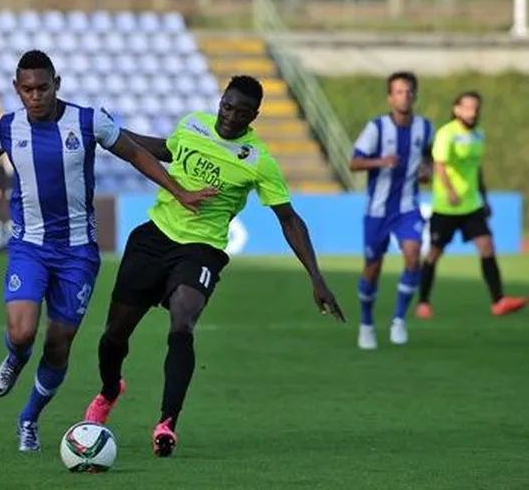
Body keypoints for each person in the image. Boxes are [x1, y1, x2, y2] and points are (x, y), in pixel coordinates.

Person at [0, 50, 214, 452]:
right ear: (16, 89)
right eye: (27, 89)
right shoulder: (8, 127)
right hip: (30, 247)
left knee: (58, 344)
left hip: (78, 254)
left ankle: (29, 418)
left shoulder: (88, 120)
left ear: (56, 83)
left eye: (43, 87)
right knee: (22, 333)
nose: (36, 96)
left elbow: (135, 154)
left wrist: (178, 191)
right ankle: (15, 357)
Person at [81, 75, 345, 457]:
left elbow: (288, 218)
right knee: (113, 338)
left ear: (254, 115)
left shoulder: (258, 160)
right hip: (154, 238)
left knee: (182, 324)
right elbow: (166, 150)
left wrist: (316, 278)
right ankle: (109, 391)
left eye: (240, 112)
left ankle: (167, 423)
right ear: (220, 101)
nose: (230, 116)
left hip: (201, 251)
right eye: (226, 105)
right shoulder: (192, 123)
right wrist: (115, 133)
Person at [415, 91, 526, 318]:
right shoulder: (446, 134)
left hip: (472, 205)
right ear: (456, 109)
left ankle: (498, 301)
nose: (472, 112)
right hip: (446, 206)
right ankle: (423, 302)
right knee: (434, 254)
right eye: (467, 108)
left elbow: (476, 170)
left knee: (487, 246)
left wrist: (484, 199)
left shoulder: (478, 136)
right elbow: (439, 166)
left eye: (475, 108)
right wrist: (450, 191)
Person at [349, 71, 434, 351]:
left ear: (415, 95)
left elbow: (428, 162)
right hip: (377, 211)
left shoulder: (425, 128)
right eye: (399, 91)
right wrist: (381, 161)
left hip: (408, 207)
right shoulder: (377, 128)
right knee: (372, 269)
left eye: (409, 91)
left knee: (413, 257)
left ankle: (398, 319)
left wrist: (426, 172)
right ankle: (366, 324)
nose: (404, 96)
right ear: (390, 97)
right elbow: (355, 163)